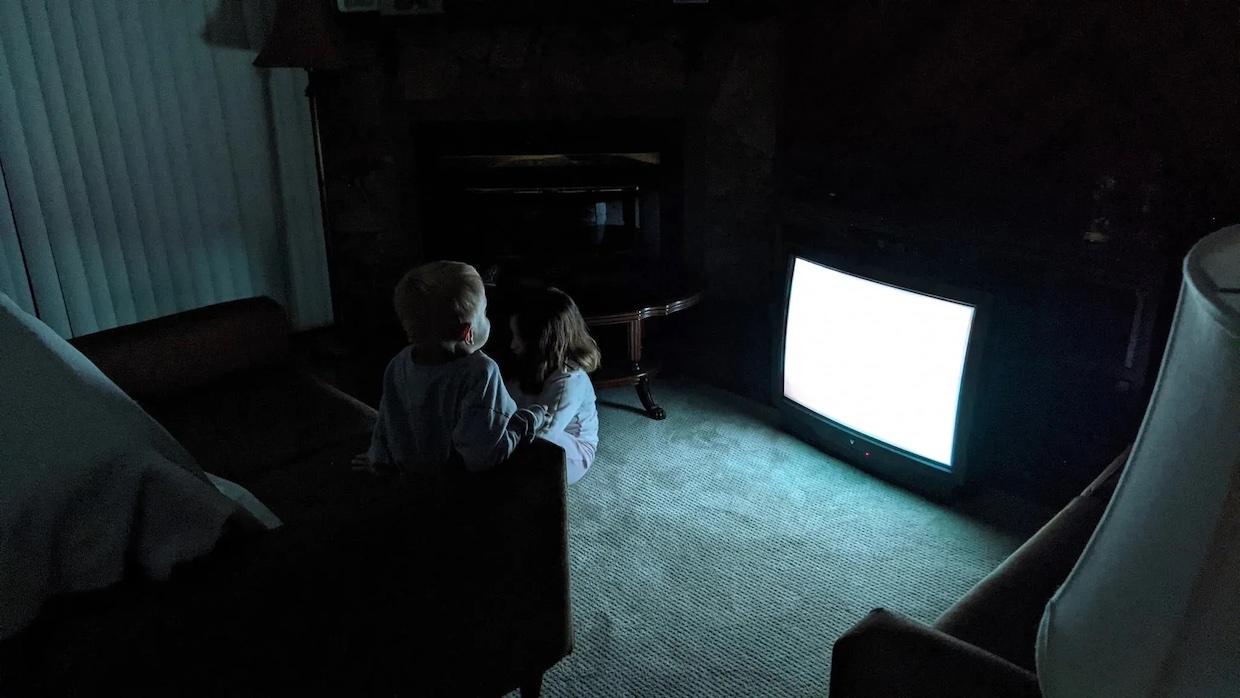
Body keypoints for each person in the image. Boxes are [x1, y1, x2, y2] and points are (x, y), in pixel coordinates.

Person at [351, 261, 546, 483]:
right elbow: (482, 456)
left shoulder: (400, 362)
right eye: (484, 313)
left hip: (411, 477)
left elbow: (388, 418)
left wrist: (377, 458)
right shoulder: (482, 372)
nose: (488, 318)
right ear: (468, 333)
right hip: (452, 487)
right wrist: (526, 422)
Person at [506, 287, 601, 485]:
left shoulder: (570, 381)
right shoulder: (533, 362)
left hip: (573, 448)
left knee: (524, 457)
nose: (512, 345)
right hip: (536, 423)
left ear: (541, 342)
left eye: (520, 338)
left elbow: (544, 434)